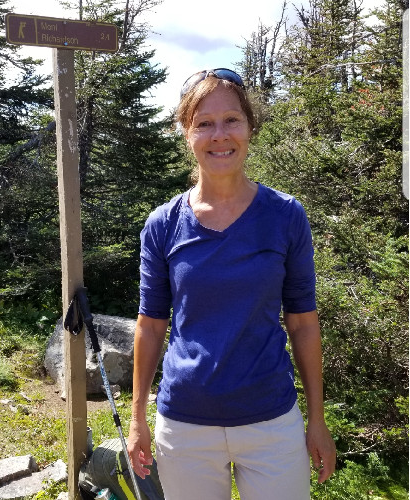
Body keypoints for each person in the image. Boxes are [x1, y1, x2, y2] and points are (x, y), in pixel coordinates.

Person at [127, 68, 336, 500]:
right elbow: (151, 324)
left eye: (231, 120)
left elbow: (303, 322)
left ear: (250, 127)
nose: (219, 135)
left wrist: (317, 419)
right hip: (184, 427)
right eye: (204, 123)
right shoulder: (163, 224)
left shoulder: (285, 215)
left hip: (271, 422)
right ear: (186, 133)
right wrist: (137, 418)